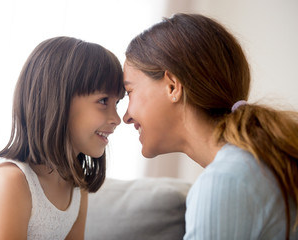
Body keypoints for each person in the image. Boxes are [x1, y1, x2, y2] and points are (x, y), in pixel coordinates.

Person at [123, 13, 298, 240]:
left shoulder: (227, 179)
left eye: (130, 92)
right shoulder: (249, 165)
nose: (125, 116)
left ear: (172, 86)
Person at [0, 36, 125, 239]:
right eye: (103, 101)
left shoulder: (76, 188)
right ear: (58, 101)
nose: (117, 118)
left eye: (117, 103)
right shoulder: (12, 182)